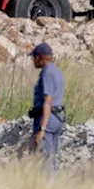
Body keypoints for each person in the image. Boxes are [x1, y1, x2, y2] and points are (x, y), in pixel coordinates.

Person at [29, 42, 66, 173]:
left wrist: (42, 129)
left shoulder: (47, 72)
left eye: (34, 57)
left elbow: (48, 100)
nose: (33, 61)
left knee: (45, 161)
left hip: (48, 120)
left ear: (40, 57)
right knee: (51, 157)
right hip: (57, 118)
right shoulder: (57, 71)